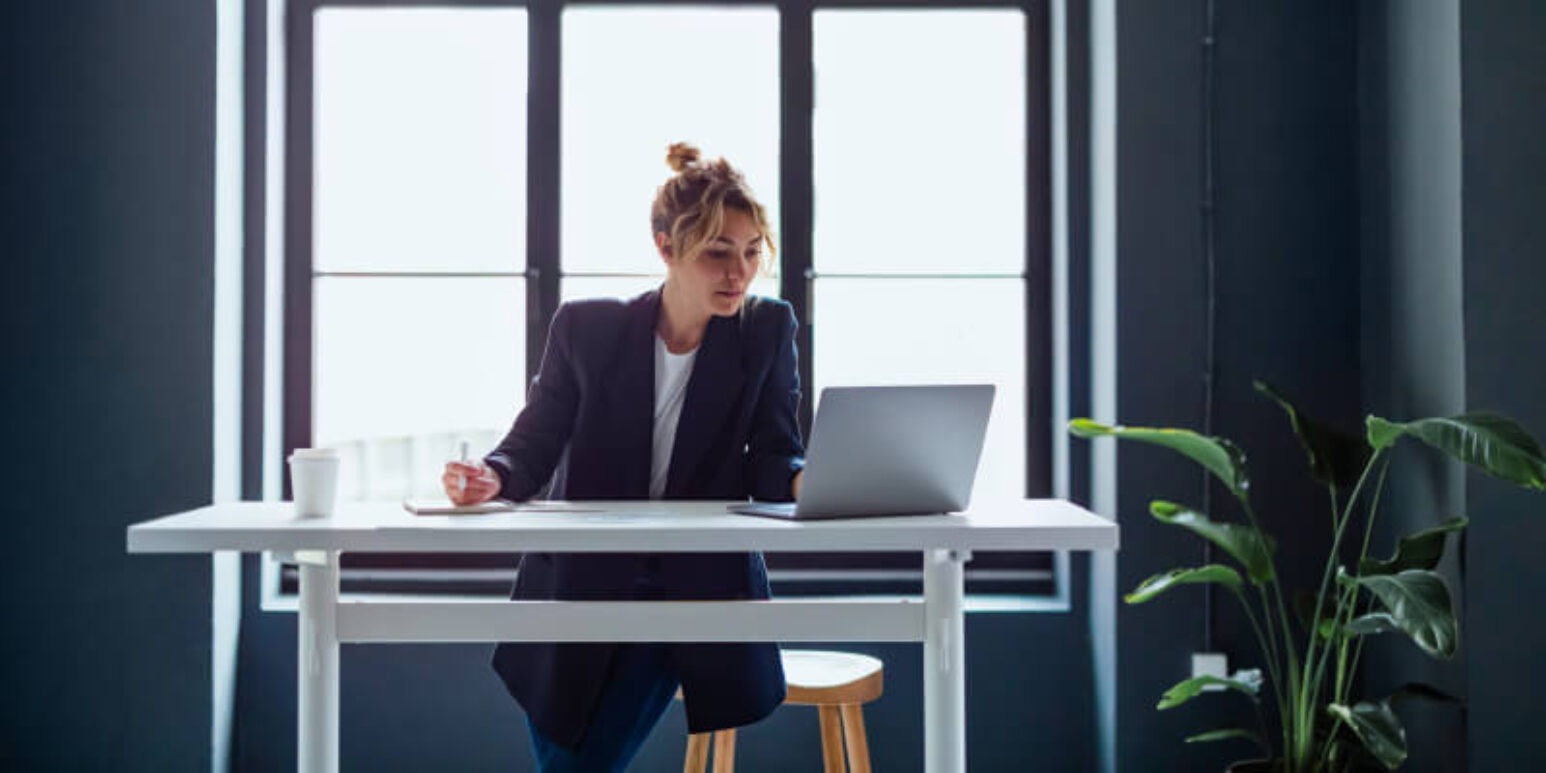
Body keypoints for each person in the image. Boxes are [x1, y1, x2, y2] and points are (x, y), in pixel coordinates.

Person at [442, 142, 806, 771]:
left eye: (751, 253)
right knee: (568, 756)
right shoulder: (587, 329)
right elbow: (534, 441)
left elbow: (775, 455)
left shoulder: (765, 331)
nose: (737, 273)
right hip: (576, 583)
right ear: (666, 247)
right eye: (718, 252)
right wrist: (491, 477)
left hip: (687, 586)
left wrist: (808, 482)